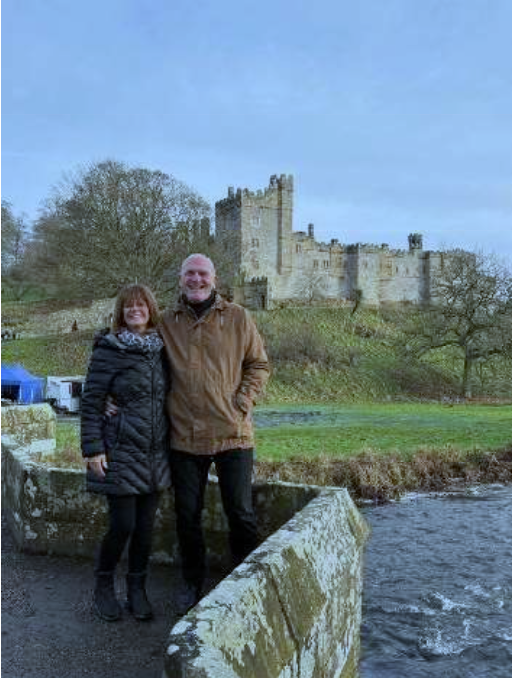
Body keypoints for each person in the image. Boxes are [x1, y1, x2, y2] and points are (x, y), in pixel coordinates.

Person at [159, 253, 270, 613]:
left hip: (232, 432)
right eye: (189, 273)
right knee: (187, 514)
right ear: (181, 278)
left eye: (202, 273)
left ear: (214, 278)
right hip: (184, 435)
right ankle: (191, 583)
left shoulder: (238, 317)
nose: (196, 279)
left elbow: (259, 364)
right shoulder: (166, 322)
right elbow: (133, 349)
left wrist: (243, 401)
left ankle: (246, 587)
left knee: (240, 512)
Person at [81, 284, 171, 622]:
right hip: (119, 450)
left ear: (151, 309)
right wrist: (93, 449)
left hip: (156, 452)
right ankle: (103, 588)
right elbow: (91, 402)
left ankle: (137, 590)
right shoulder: (109, 348)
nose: (136, 310)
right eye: (129, 306)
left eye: (142, 305)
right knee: (123, 525)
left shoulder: (163, 348)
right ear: (121, 311)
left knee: (146, 528)